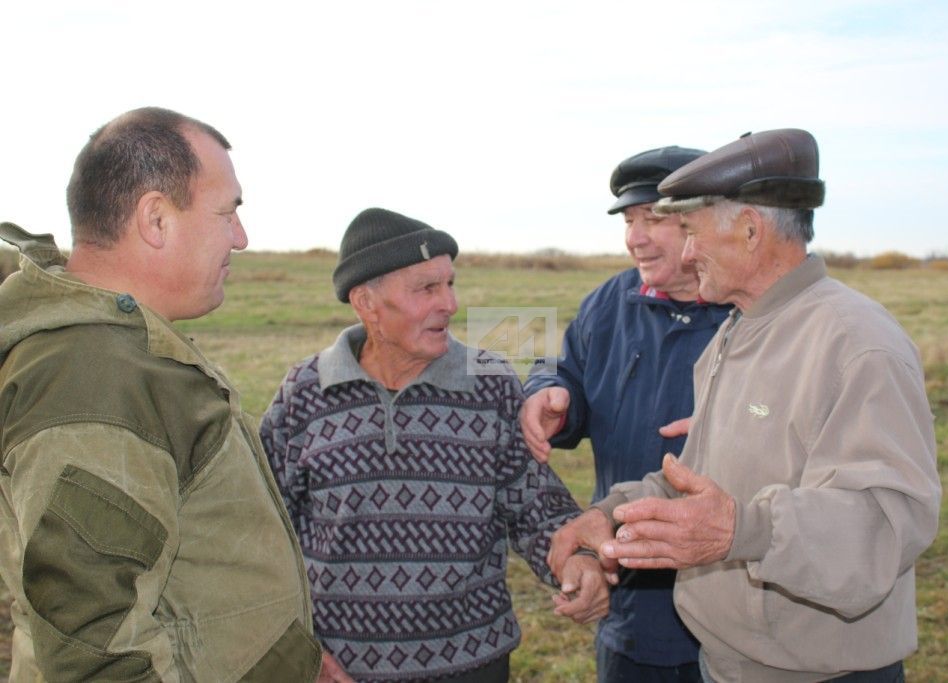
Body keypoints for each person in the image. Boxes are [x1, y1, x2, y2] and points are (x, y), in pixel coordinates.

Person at [549, 129, 942, 682]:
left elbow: (886, 523)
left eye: (690, 231)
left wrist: (742, 530)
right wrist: (608, 514)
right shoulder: (739, 330)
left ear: (751, 231)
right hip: (730, 664)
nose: (684, 253)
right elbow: (698, 477)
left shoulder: (857, 345)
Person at [0, 108, 324, 682]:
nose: (241, 239)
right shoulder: (94, 379)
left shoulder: (126, 349)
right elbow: (97, 656)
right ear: (156, 219)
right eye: (227, 213)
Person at [260, 207, 609, 683]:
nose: (450, 303)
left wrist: (580, 560)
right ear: (366, 302)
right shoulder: (305, 391)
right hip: (338, 670)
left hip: (473, 665)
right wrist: (293, 647)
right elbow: (262, 531)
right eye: (427, 288)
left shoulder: (490, 382)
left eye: (450, 284)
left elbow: (535, 508)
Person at [520, 146, 731, 682]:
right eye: (630, 220)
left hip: (738, 607)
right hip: (635, 609)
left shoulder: (751, 310)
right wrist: (550, 394)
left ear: (701, 221)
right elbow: (564, 371)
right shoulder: (609, 304)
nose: (635, 236)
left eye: (654, 218)